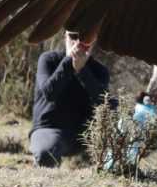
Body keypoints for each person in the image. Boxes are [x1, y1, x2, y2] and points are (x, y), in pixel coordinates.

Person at [30, 30, 110, 167]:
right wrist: (69, 62)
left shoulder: (100, 71)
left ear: (94, 40)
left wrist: (82, 71)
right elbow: (49, 93)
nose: (78, 42)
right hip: (50, 128)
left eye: (86, 37)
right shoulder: (48, 59)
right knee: (45, 155)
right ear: (65, 37)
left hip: (85, 135)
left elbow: (103, 102)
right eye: (73, 36)